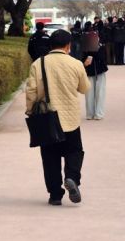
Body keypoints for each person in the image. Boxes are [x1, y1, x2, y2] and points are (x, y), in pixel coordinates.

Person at [25, 29, 91, 206]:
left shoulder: (39, 64)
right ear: (68, 46)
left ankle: (55, 194)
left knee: (49, 157)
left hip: (47, 118)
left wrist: (30, 110)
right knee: (74, 151)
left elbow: (31, 91)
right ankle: (71, 178)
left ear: (50, 45)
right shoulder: (75, 63)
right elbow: (84, 88)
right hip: (70, 118)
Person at [83, 22, 109, 120]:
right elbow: (103, 57)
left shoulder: (85, 45)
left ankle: (90, 114)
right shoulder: (99, 45)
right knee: (99, 92)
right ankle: (98, 114)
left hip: (91, 70)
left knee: (90, 93)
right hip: (98, 70)